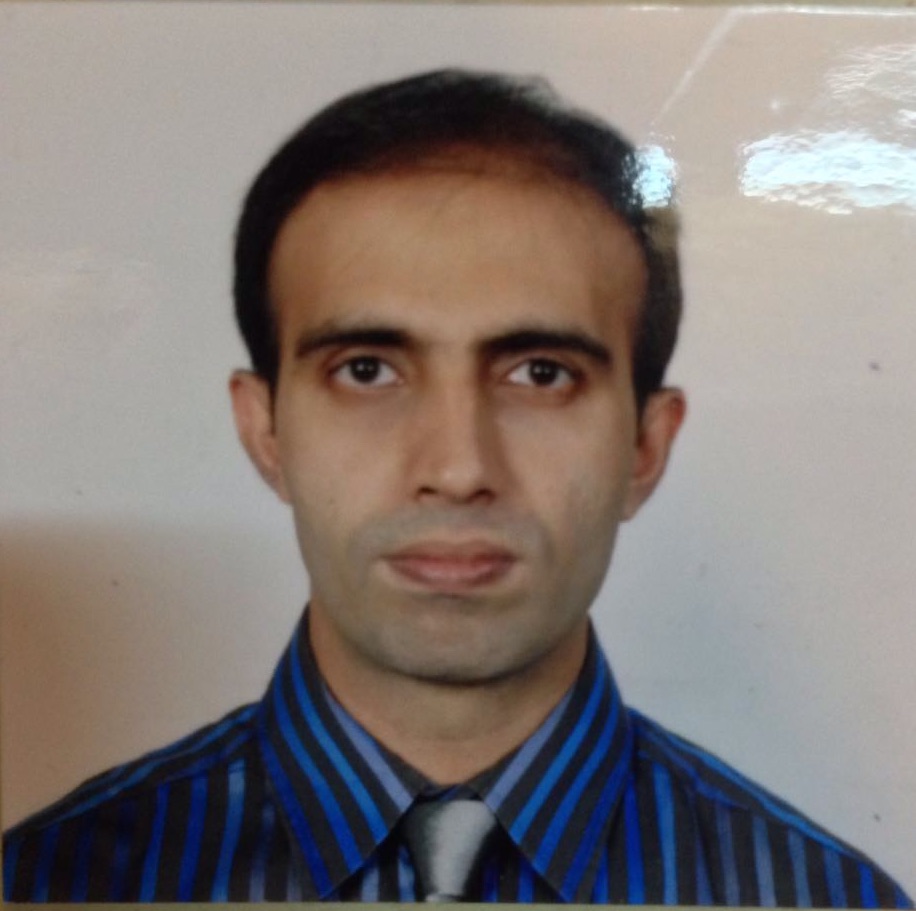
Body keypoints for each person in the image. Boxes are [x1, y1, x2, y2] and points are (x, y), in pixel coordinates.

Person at [3, 69, 911, 906]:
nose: (459, 469)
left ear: (645, 445)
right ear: (265, 430)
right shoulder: (47, 883)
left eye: (541, 374)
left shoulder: (831, 899)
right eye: (366, 369)